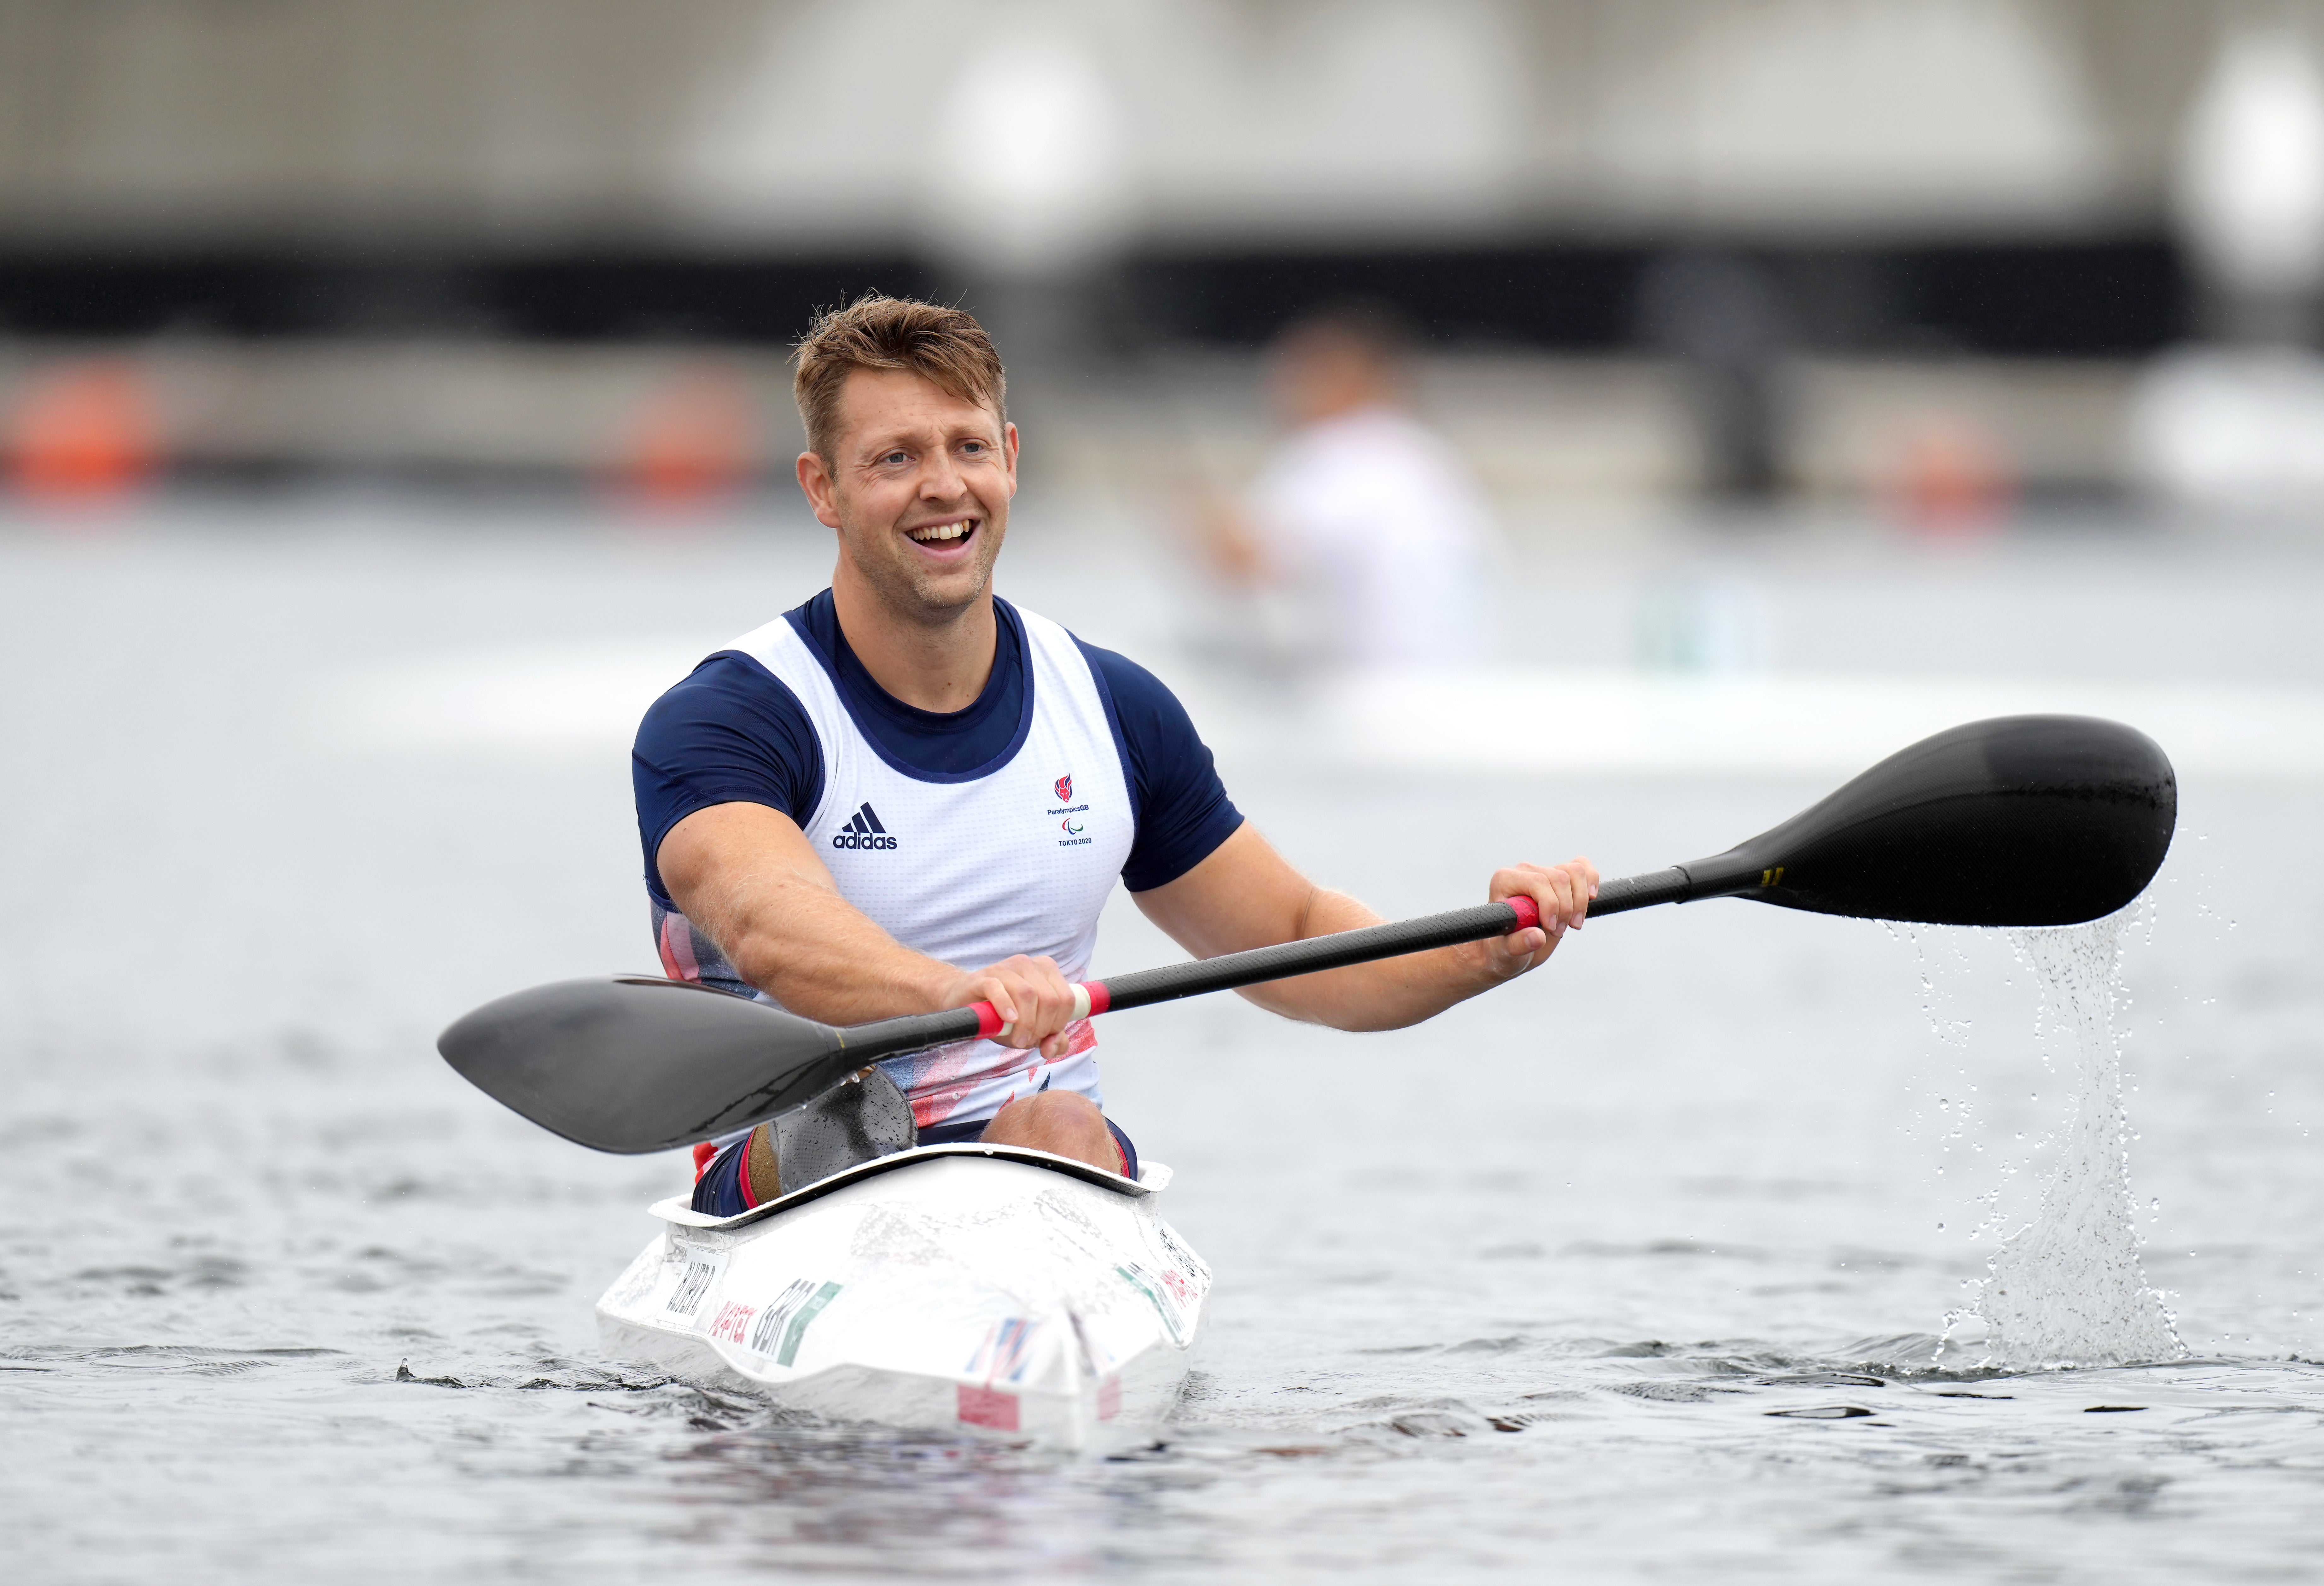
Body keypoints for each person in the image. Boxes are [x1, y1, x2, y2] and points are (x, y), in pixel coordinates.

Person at [632, 296, 1594, 1216]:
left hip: (1044, 1151)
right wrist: (958, 991)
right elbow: (768, 923)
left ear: (1010, 460)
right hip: (803, 1164)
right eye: (895, 458)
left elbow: (1298, 935)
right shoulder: (730, 718)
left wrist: (1480, 947)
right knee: (851, 1125)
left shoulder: (1111, 707)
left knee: (1063, 1120)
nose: (943, 484)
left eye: (969, 447)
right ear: (823, 489)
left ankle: (1037, 1333)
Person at [1203, 304, 1497, 669]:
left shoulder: (1334, 455)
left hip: (1376, 689)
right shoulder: (1425, 455)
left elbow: (1246, 559)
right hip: (1459, 676)